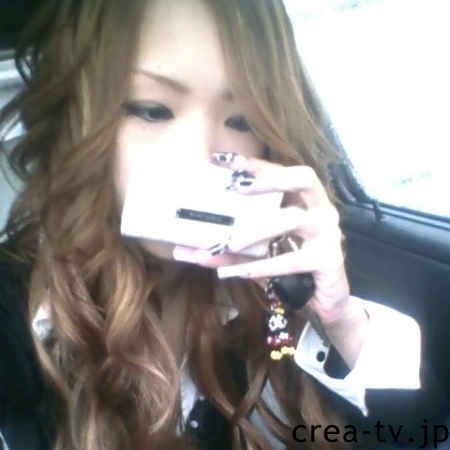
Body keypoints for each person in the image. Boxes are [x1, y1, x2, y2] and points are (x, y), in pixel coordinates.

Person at [0, 0, 446, 449]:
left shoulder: (269, 279)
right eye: (151, 110)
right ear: (77, 120)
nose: (199, 158)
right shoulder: (17, 301)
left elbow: (419, 434)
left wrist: (339, 319)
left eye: (241, 120)